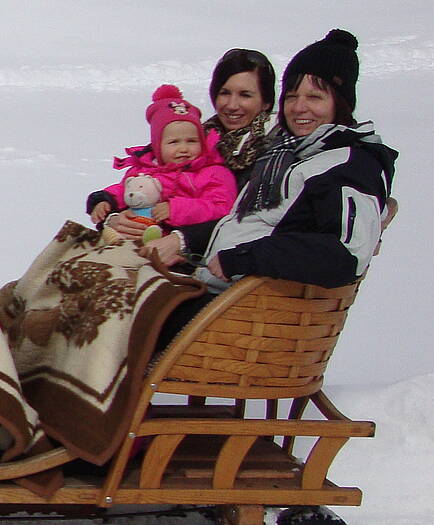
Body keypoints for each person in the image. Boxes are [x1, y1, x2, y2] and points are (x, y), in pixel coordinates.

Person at [148, 31, 395, 524]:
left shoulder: (350, 164)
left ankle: (79, 433)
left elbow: (344, 252)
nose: (301, 107)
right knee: (97, 276)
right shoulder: (288, 152)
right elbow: (246, 222)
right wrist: (184, 241)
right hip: (225, 296)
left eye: (316, 96)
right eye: (293, 95)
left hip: (244, 315)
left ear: (340, 103)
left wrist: (244, 259)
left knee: (114, 312)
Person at [129, 48, 278, 261]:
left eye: (245, 95)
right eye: (225, 93)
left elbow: (249, 220)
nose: (232, 105)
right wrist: (116, 215)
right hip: (159, 242)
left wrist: (183, 240)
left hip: (224, 263)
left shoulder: (272, 152)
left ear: (265, 102)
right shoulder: (196, 137)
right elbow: (147, 174)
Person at [85, 85, 237, 238]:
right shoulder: (142, 170)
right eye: (174, 142)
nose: (183, 149)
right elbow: (124, 190)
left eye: (191, 141)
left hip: (171, 246)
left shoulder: (212, 172)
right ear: (158, 145)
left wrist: (176, 209)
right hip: (131, 236)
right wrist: (105, 201)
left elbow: (222, 206)